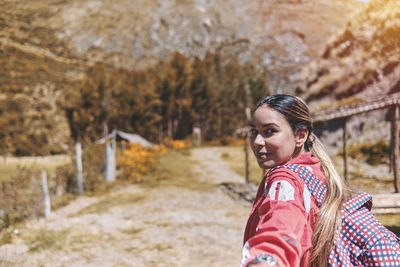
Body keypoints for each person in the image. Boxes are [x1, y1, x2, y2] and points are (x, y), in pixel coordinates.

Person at [241, 94, 400, 267]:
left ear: (300, 135)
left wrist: (267, 259)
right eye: (254, 132)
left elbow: (284, 221)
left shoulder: (284, 178)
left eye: (270, 131)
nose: (256, 141)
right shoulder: (315, 168)